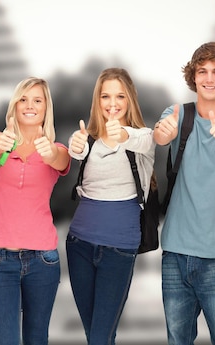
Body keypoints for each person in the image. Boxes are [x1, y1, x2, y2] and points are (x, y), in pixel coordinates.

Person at [152, 41, 215, 345]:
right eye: (202, 71)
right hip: (176, 253)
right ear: (193, 77)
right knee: (177, 340)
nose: (209, 78)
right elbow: (160, 133)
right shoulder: (177, 114)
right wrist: (162, 134)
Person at [0, 77, 70, 345]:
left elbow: (61, 159)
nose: (30, 105)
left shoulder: (55, 150)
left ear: (45, 108)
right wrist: (2, 142)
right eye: (23, 99)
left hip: (43, 260)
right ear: (15, 106)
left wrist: (49, 151)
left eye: (37, 100)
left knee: (37, 339)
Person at [67, 67, 155, 344]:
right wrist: (75, 145)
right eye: (106, 96)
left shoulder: (142, 138)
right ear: (98, 100)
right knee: (97, 334)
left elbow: (144, 139)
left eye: (120, 96)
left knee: (100, 337)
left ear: (130, 99)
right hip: (79, 244)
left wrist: (124, 135)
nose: (113, 103)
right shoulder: (87, 138)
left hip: (119, 248)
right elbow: (75, 150)